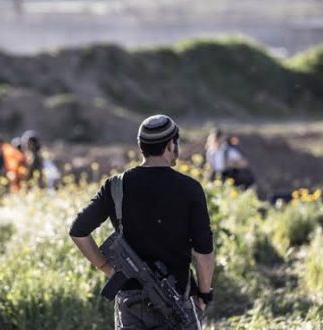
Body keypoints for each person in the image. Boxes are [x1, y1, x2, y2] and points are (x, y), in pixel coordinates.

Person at [69, 115, 215, 329]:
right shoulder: (189, 188)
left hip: (130, 304)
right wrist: (204, 293)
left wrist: (107, 268)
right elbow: (203, 253)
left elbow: (78, 231)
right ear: (170, 145)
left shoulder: (116, 186)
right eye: (177, 142)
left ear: (142, 147)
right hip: (177, 302)